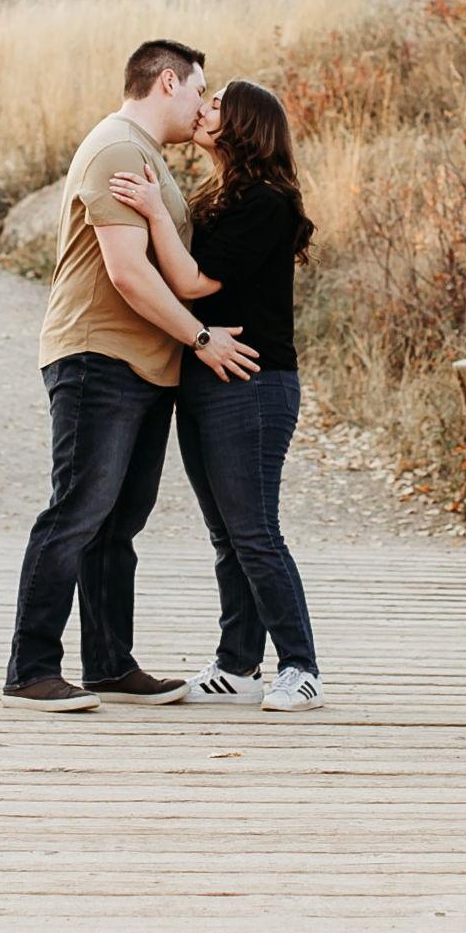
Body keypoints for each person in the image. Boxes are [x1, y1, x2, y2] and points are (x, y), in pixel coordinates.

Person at [2, 39, 262, 710]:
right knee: (77, 511)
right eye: (199, 91)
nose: (205, 105)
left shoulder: (148, 159)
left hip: (144, 365)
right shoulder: (118, 148)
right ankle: (30, 670)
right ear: (168, 82)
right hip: (98, 357)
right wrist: (200, 338)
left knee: (118, 523)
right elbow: (125, 271)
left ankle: (111, 665)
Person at [107, 76, 321, 711]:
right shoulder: (221, 195)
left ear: (247, 125)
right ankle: (238, 665)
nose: (205, 110)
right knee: (227, 534)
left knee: (254, 531)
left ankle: (300, 666)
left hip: (254, 382)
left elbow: (194, 282)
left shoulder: (266, 201)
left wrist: (149, 209)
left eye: (219, 105)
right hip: (204, 377)